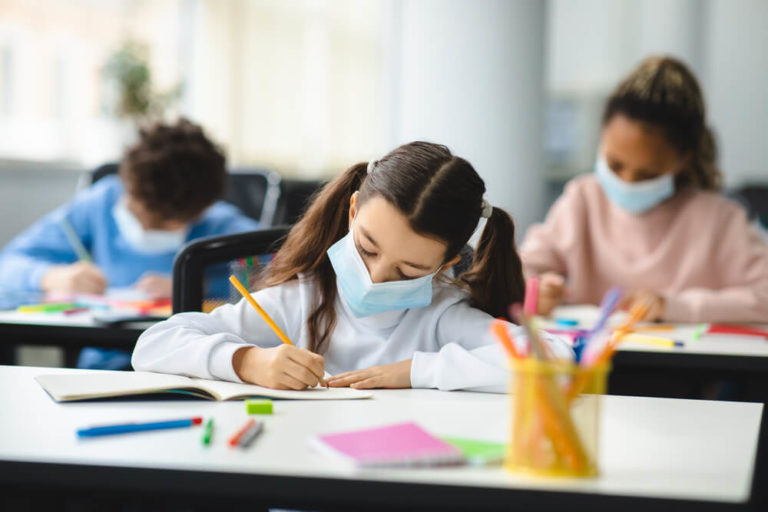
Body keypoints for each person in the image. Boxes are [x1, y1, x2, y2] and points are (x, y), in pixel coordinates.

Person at [132, 142, 570, 392]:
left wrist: (415, 371)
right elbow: (154, 344)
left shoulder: (441, 313)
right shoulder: (300, 299)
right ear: (353, 210)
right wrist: (247, 361)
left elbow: (558, 359)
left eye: (408, 270)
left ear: (447, 263)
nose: (376, 279)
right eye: (367, 248)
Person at [520, 56, 768, 323]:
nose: (627, 181)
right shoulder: (582, 200)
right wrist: (534, 291)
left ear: (684, 160)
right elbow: (516, 270)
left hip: (683, 361)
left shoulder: (720, 220)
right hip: (590, 359)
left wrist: (676, 307)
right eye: (615, 165)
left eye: (648, 174)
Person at [0, 119, 260, 369]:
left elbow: (282, 277)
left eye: (164, 223)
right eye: (140, 212)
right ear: (128, 186)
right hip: (103, 366)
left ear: (199, 212)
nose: (146, 227)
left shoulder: (222, 226)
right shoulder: (99, 204)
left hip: (188, 365)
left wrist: (196, 285)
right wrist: (51, 276)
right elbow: (9, 265)